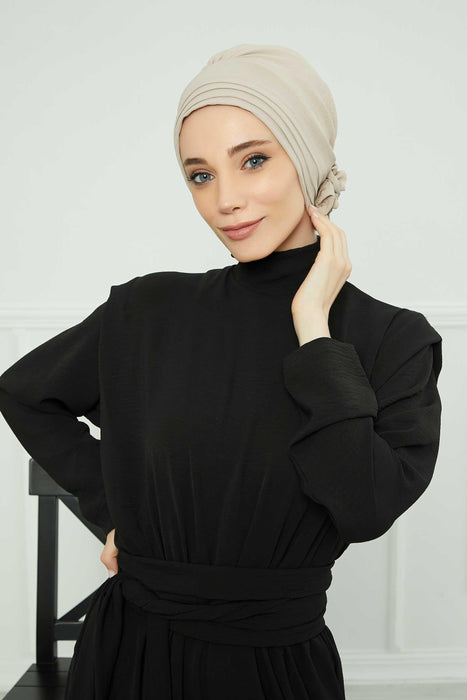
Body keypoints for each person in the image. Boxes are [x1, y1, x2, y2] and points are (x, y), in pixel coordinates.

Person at [0, 44, 442, 700]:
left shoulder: (393, 339)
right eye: (200, 175)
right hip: (128, 654)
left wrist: (314, 328)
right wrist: (114, 512)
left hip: (273, 665)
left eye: (254, 160)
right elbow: (24, 393)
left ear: (307, 158)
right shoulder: (149, 309)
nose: (225, 200)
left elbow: (364, 508)